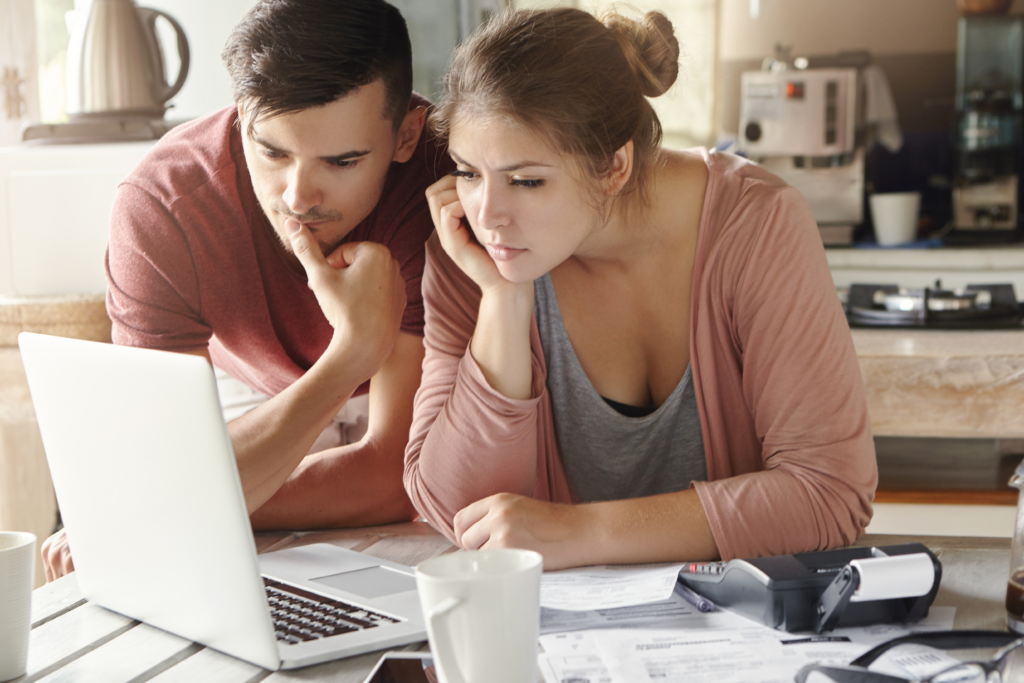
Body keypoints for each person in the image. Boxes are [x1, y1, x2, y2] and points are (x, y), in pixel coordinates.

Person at [404, 7, 877, 570]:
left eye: (526, 180)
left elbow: (829, 496)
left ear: (613, 166)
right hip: (561, 643)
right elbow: (454, 511)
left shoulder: (756, 226)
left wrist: (576, 531)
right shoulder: (473, 254)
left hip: (746, 636)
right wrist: (503, 299)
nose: (488, 215)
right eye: (467, 172)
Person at [41, 0, 451, 581]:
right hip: (247, 384)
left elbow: (392, 479)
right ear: (240, 115)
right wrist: (351, 353)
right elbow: (159, 463)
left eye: (342, 161)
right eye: (273, 152)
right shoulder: (162, 206)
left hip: (407, 393)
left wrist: (167, 507)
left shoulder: (436, 176)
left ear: (405, 136)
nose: (297, 196)